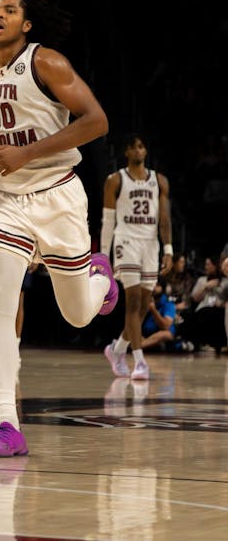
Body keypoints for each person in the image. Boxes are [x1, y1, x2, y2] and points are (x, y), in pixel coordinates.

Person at [0, 0, 118, 458]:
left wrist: (29, 152)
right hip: (3, 204)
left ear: (27, 22)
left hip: (57, 197)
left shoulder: (47, 62)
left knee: (78, 315)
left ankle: (99, 280)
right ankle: (7, 424)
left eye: (9, 10)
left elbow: (96, 121)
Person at [100, 133, 172, 381]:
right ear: (126, 153)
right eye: (134, 147)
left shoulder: (159, 180)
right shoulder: (115, 180)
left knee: (143, 304)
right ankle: (139, 361)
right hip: (126, 240)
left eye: (142, 146)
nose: (139, 151)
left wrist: (169, 249)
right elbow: (108, 221)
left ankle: (117, 349)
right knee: (132, 301)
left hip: (150, 244)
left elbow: (164, 218)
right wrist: (103, 255)